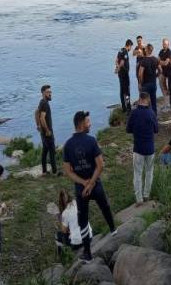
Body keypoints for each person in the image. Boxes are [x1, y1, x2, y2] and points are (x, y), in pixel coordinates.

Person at [62, 111, 117, 262]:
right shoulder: (91, 141)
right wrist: (91, 182)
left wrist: (83, 183)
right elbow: (100, 166)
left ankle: (87, 253)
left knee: (83, 220)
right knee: (104, 206)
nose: (90, 124)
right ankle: (114, 230)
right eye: (88, 121)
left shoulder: (67, 145)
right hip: (95, 185)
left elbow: (68, 171)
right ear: (81, 124)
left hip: (81, 190)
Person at [126, 92, 158, 205]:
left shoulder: (134, 113)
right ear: (148, 100)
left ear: (139, 99)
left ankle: (139, 199)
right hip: (150, 148)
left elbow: (128, 129)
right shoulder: (151, 113)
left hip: (138, 148)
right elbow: (156, 130)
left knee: (138, 174)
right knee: (149, 172)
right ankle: (146, 195)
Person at [55, 189, 91, 260]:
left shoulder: (65, 212)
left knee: (58, 235)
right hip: (89, 237)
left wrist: (59, 216)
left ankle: (60, 258)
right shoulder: (78, 202)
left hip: (77, 243)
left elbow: (64, 231)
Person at [37, 85, 58, 175]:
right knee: (52, 151)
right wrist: (47, 130)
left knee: (45, 151)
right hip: (47, 132)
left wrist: (38, 125)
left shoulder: (42, 102)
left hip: (43, 132)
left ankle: (44, 171)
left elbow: (36, 113)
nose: (50, 94)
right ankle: (54, 172)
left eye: (50, 92)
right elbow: (42, 118)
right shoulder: (44, 103)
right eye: (48, 92)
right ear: (43, 93)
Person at [138, 44, 161, 114]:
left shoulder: (144, 61)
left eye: (145, 48)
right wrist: (156, 75)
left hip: (146, 84)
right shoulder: (155, 59)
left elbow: (140, 74)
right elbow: (160, 70)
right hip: (153, 83)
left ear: (147, 50)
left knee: (144, 102)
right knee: (153, 101)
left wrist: (141, 83)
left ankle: (145, 116)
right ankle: (154, 117)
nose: (144, 49)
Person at [116, 39, 133, 112]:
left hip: (120, 74)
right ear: (129, 45)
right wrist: (119, 68)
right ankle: (128, 107)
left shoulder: (120, 50)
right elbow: (122, 62)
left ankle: (123, 107)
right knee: (127, 92)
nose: (130, 49)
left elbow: (116, 60)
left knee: (122, 90)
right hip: (124, 74)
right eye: (131, 47)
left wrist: (117, 68)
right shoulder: (125, 52)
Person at [158, 38, 171, 112]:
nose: (164, 45)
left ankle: (168, 105)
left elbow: (166, 63)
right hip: (162, 72)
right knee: (162, 88)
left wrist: (160, 61)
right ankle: (166, 104)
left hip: (168, 73)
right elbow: (157, 61)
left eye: (165, 44)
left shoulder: (169, 52)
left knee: (167, 89)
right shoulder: (161, 51)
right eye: (163, 44)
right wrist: (161, 62)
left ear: (168, 45)